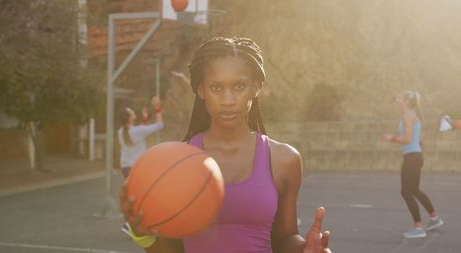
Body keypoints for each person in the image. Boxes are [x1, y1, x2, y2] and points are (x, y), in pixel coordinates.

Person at [120, 37, 331, 253]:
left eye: (239, 86)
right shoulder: (177, 163)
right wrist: (144, 235)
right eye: (216, 87)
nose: (227, 99)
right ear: (201, 90)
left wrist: (306, 250)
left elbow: (285, 239)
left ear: (255, 88)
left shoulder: (284, 160)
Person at [382, 91, 443, 239]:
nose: (396, 101)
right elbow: (420, 140)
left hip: (412, 158)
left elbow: (408, 139)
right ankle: (434, 218)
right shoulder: (414, 115)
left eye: (399, 98)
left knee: (406, 192)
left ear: (406, 102)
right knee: (414, 190)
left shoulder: (407, 116)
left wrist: (392, 138)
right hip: (416, 156)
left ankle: (418, 228)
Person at [118, 96, 164, 235]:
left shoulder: (122, 131)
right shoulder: (134, 131)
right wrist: (157, 108)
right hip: (135, 169)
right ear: (129, 117)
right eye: (131, 112)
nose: (134, 112)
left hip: (126, 167)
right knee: (146, 195)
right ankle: (129, 224)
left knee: (138, 196)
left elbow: (140, 133)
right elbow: (159, 126)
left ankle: (134, 223)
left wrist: (144, 119)